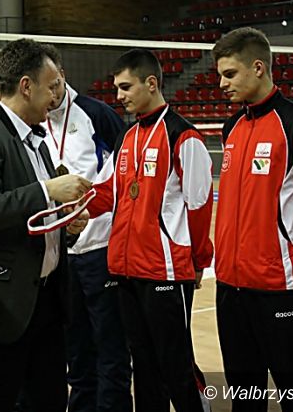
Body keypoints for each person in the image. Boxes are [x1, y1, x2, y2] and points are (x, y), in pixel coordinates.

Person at [0, 38, 90, 412]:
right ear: (26, 86)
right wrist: (47, 190)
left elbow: (28, 215)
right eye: (51, 87)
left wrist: (64, 223)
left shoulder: (35, 141)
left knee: (50, 401)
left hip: (45, 301)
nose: (56, 96)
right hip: (2, 308)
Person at [86, 49, 213, 412]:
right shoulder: (127, 136)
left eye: (126, 87)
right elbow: (107, 192)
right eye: (117, 88)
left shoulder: (183, 136)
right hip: (127, 270)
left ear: (152, 83)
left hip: (166, 272)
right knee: (143, 365)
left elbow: (199, 206)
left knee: (175, 363)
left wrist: (199, 260)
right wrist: (71, 210)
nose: (119, 96)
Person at [212, 27, 293, 411]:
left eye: (230, 74)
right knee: (245, 397)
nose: (222, 84)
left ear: (258, 67)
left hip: (281, 287)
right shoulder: (231, 127)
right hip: (230, 288)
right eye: (220, 75)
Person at [40, 45, 132, 412]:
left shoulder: (97, 114)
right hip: (60, 256)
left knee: (110, 347)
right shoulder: (33, 122)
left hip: (99, 249)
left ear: (62, 75)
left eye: (54, 84)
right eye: (44, 86)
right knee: (75, 349)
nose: (50, 94)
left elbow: (126, 171)